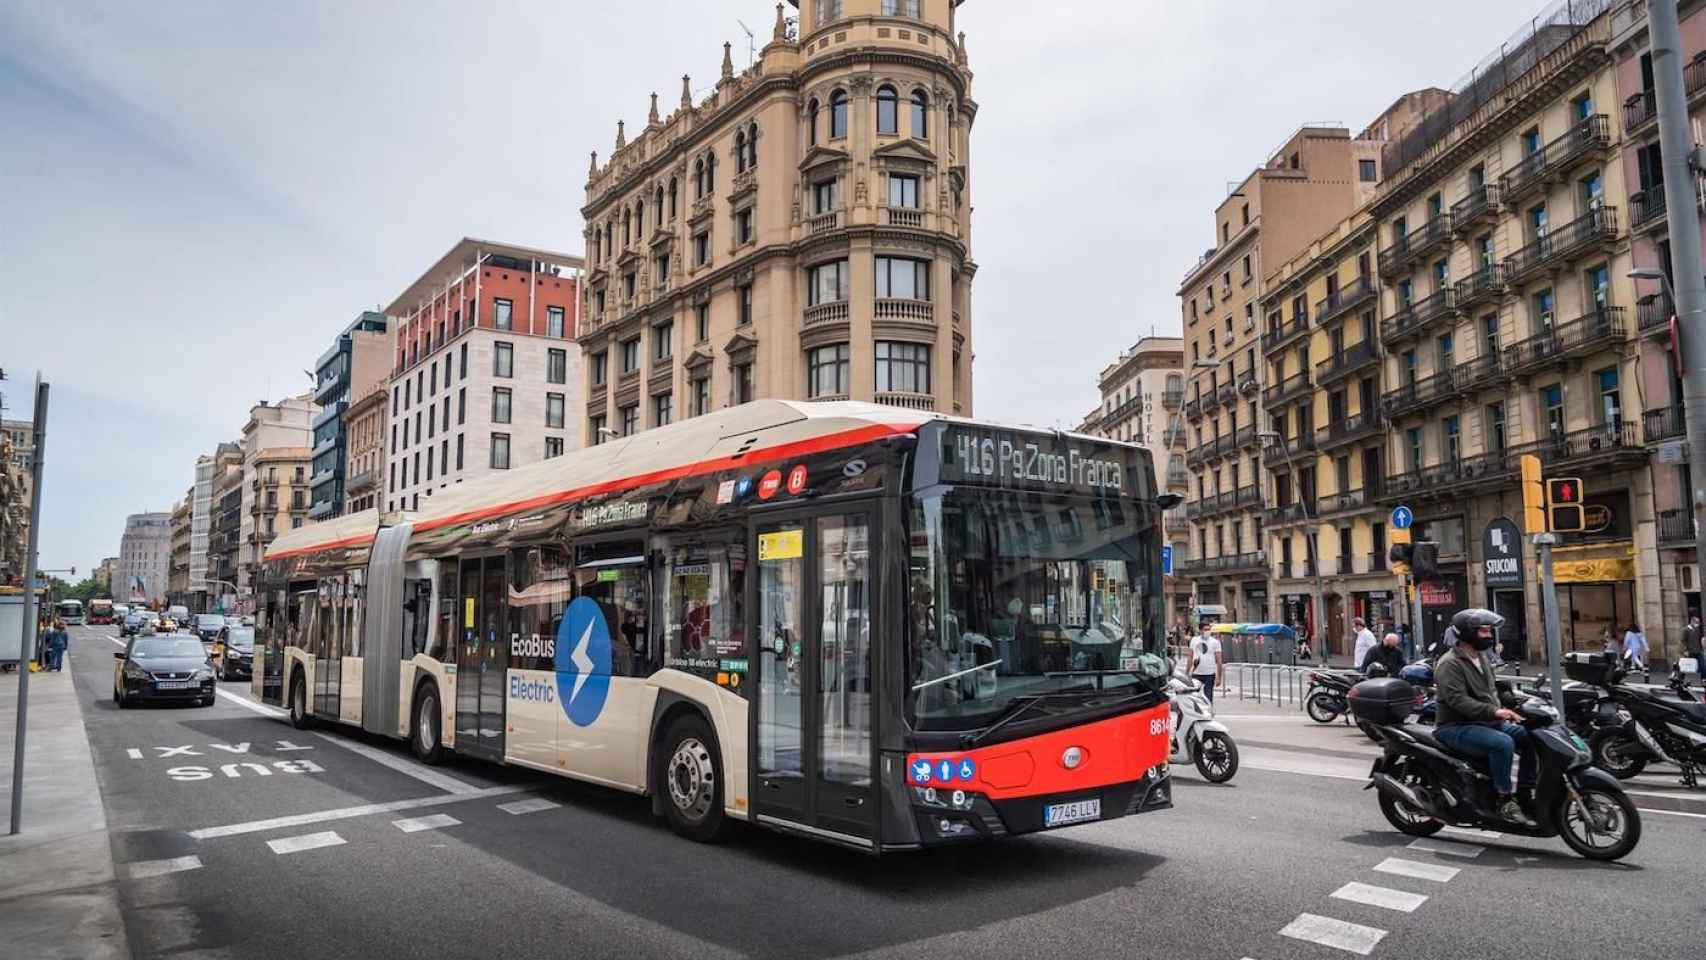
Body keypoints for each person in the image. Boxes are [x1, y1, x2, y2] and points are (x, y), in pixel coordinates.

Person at [1433, 608, 1536, 827]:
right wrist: (1495, 711)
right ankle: (1504, 799)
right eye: (1484, 631)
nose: (1489, 635)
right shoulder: (1449, 663)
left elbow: (1491, 690)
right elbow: (1458, 700)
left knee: (1531, 736)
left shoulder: (1481, 657)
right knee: (1503, 743)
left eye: (1490, 631)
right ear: (1468, 634)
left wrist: (1515, 701)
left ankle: (1525, 793)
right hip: (1455, 726)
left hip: (1485, 722)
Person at [1190, 626, 1223, 704]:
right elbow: (1190, 656)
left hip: (1209, 673)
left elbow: (1219, 660)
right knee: (1194, 696)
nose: (1208, 631)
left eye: (1209, 629)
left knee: (1208, 697)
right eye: (1205, 629)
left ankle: (1208, 712)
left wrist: (1219, 677)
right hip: (1196, 673)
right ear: (1200, 630)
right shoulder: (1194, 640)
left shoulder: (1215, 642)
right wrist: (1187, 671)